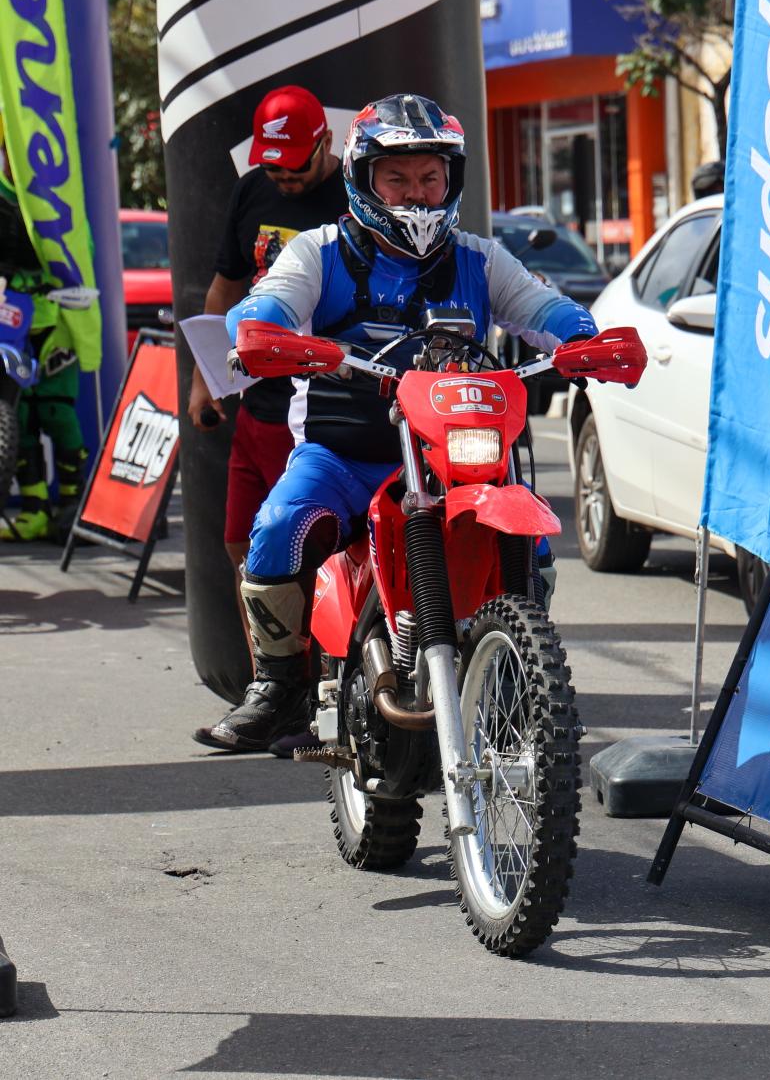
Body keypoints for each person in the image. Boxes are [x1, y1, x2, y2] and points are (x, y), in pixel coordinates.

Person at [194, 93, 597, 753]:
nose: (417, 192)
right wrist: (256, 326)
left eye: (430, 177)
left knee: (535, 548)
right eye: (398, 178)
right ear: (362, 179)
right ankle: (277, 685)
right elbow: (263, 303)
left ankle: (515, 671)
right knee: (274, 527)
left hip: (458, 457)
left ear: (451, 180)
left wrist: (584, 336)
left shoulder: (479, 258)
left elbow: (541, 306)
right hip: (344, 454)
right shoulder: (319, 253)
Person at [187, 86, 346, 639]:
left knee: (299, 552)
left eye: (295, 168)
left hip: (317, 410)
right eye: (273, 168)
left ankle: (308, 692)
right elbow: (224, 288)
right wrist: (205, 381)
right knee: (240, 544)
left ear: (325, 142)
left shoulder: (354, 198)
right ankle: (268, 682)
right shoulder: (252, 191)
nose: (284, 179)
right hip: (257, 401)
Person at [0, 136, 86, 544]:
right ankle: (34, 508)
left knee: (58, 413)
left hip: (56, 318)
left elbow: (79, 252)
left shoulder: (56, 197)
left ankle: (74, 506)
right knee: (18, 419)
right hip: (9, 320)